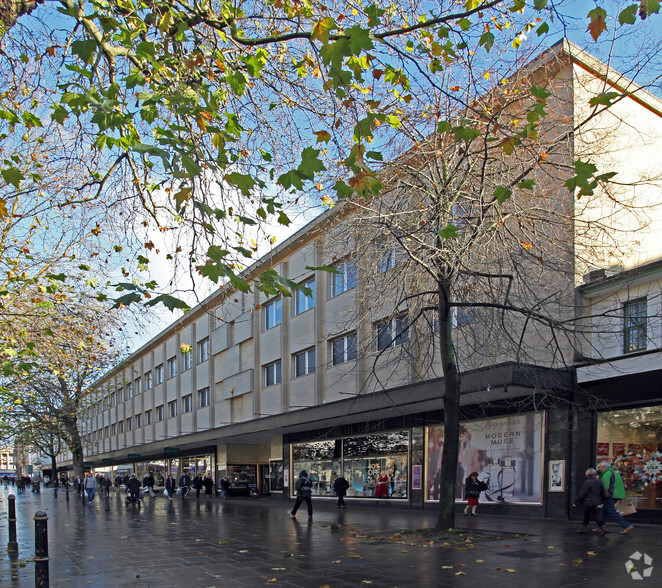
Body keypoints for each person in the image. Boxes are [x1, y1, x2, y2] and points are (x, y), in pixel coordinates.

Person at [597, 460, 633, 535]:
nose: (598, 469)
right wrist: (621, 497)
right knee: (604, 511)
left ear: (604, 467)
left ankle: (626, 525)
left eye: (599, 467)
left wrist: (599, 495)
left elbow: (604, 487)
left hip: (610, 496)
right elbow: (620, 486)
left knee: (611, 511)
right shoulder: (616, 474)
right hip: (615, 495)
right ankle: (601, 527)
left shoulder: (607, 474)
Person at [573, 468, 609, 534]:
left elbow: (582, 493)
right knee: (587, 514)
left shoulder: (588, 482)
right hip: (597, 500)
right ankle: (583, 528)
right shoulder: (599, 481)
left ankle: (603, 528)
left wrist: (576, 501)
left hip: (590, 501)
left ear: (587, 474)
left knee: (594, 515)